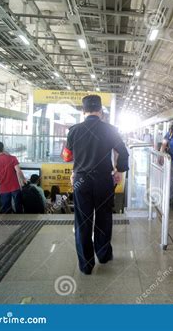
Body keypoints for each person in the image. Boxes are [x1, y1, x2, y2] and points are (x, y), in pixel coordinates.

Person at [65, 94, 129, 275]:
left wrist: (75, 171)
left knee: (82, 222)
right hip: (103, 180)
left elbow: (67, 156)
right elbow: (123, 153)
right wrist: (119, 170)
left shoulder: (74, 130)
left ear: (83, 111)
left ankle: (86, 265)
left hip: (81, 181)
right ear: (101, 111)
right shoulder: (110, 129)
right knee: (104, 217)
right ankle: (103, 254)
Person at [0, 141, 26, 213]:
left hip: (4, 188)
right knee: (18, 206)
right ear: (3, 148)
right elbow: (18, 171)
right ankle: (21, 222)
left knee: (6, 208)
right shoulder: (12, 158)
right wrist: (24, 179)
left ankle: (8, 223)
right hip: (15, 186)